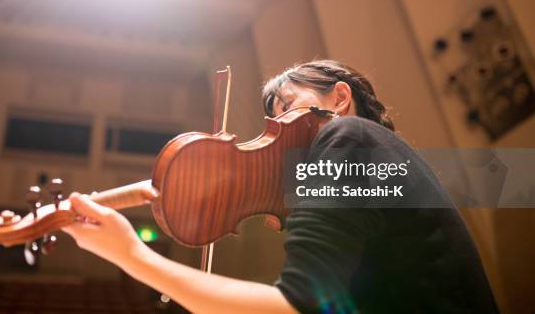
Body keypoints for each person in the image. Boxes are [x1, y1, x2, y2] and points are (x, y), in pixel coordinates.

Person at [62, 60, 498, 313]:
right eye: (274, 118)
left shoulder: (347, 136)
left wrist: (130, 254)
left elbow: (293, 305)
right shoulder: (383, 155)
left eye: (288, 106)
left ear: (340, 98)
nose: (281, 126)